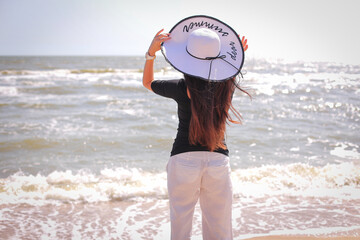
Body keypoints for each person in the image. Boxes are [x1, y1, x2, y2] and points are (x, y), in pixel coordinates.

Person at [142, 15, 250, 240]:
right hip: (218, 161)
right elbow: (230, 70)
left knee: (180, 227)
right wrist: (239, 53)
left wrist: (151, 52)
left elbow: (148, 83)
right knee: (220, 229)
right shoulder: (225, 86)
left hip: (183, 160)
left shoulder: (181, 87)